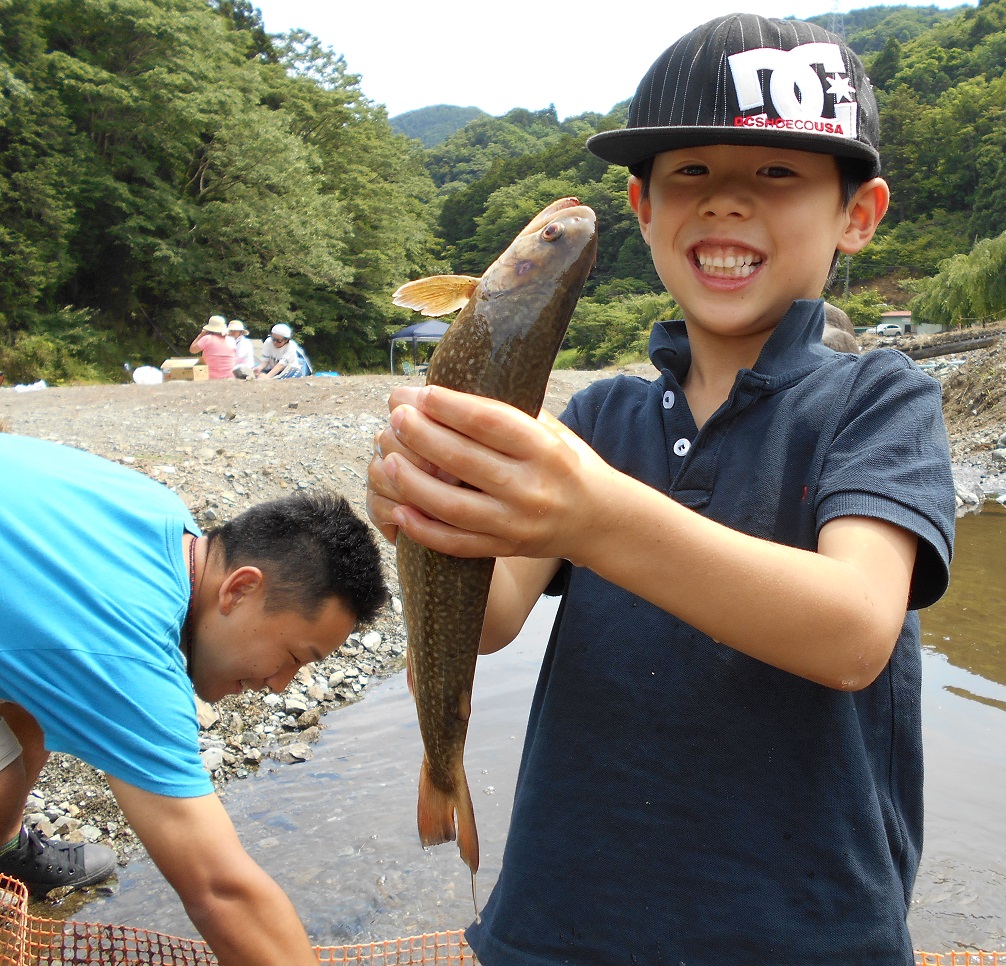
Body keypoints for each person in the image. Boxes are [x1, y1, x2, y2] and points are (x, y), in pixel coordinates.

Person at [366, 13, 955, 964]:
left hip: (802, 938)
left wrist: (595, 515)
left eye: (775, 174)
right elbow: (485, 619)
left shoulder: (878, 403)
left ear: (859, 213)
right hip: (558, 932)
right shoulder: (599, 421)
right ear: (643, 208)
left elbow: (852, 633)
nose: (725, 204)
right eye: (691, 174)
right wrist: (425, 504)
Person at [0, 432, 388, 965]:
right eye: (297, 656)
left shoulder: (163, 516)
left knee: (38, 677)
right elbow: (221, 891)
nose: (282, 684)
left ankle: (5, 852)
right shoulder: (130, 656)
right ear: (239, 589)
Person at [188, 315, 235, 380]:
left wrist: (200, 335)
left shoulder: (206, 339)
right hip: (230, 376)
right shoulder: (231, 340)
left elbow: (192, 350)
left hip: (211, 377)